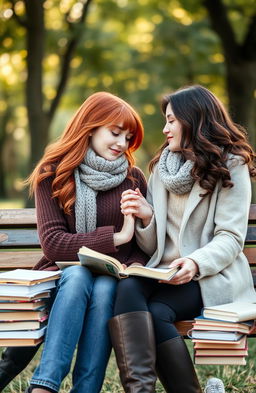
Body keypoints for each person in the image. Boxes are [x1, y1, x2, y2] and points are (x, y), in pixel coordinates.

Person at [109, 85, 256, 393]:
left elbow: (230, 238)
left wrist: (194, 261)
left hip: (208, 275)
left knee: (158, 313)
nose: (165, 129)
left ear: (194, 120)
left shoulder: (231, 164)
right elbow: (154, 248)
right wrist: (148, 218)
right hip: (163, 271)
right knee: (127, 287)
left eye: (171, 120)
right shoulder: (162, 168)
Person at [0, 92, 149, 393]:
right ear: (91, 127)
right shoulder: (53, 174)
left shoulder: (133, 179)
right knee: (78, 274)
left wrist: (142, 227)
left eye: (128, 137)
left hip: (111, 281)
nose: (122, 144)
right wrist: (116, 237)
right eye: (115, 133)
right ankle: (45, 386)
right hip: (59, 283)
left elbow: (143, 249)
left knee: (105, 286)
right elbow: (54, 244)